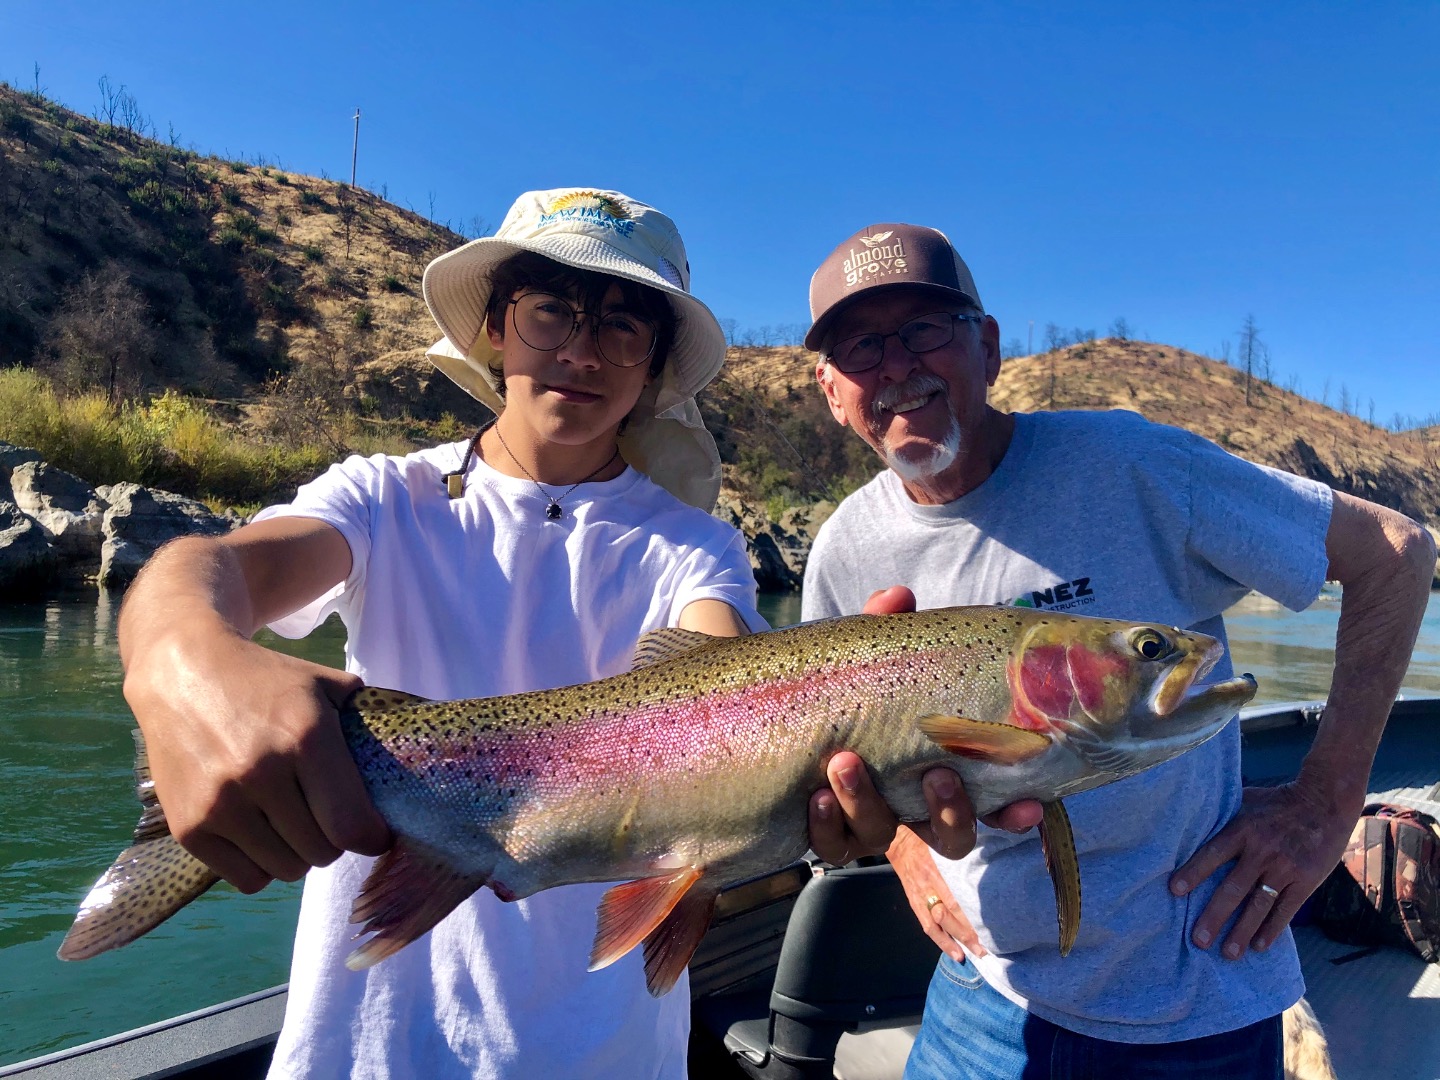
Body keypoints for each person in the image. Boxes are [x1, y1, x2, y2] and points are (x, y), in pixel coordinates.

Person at [117, 187, 774, 1079]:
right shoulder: (381, 498)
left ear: (653, 365)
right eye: (551, 312)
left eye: (622, 326)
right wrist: (176, 656)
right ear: (497, 330)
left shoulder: (695, 546)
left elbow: (735, 679)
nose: (581, 350)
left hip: (602, 1052)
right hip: (366, 1048)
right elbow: (222, 571)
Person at [796, 221, 1437, 1078]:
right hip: (978, 992)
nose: (895, 366)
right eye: (861, 346)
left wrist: (1326, 800)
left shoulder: (1132, 465)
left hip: (1195, 1000)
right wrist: (906, 849)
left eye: (924, 330)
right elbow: (827, 747)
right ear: (831, 388)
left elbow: (1396, 555)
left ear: (986, 348)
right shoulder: (844, 549)